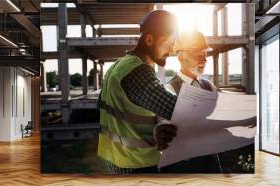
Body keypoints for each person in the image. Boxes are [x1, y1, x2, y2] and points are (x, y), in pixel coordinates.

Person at [161, 30, 255, 173]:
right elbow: (167, 133)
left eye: (205, 55)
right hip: (183, 163)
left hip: (210, 159)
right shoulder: (169, 89)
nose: (204, 60)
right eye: (198, 55)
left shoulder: (209, 86)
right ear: (181, 57)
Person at [97, 10, 179, 174]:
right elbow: (174, 108)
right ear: (149, 39)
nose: (170, 51)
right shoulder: (136, 71)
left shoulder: (118, 66)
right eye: (168, 44)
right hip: (136, 163)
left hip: (115, 158)